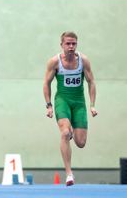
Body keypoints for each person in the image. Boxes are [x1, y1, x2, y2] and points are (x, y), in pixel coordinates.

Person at [43, 31, 97, 186]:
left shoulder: (83, 61)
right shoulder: (54, 62)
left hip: (79, 102)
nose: (71, 46)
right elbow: (46, 83)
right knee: (65, 133)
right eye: (68, 43)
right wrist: (49, 105)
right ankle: (69, 174)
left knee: (80, 142)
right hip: (62, 101)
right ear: (62, 45)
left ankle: (73, 127)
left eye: (74, 43)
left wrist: (92, 105)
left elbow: (91, 82)